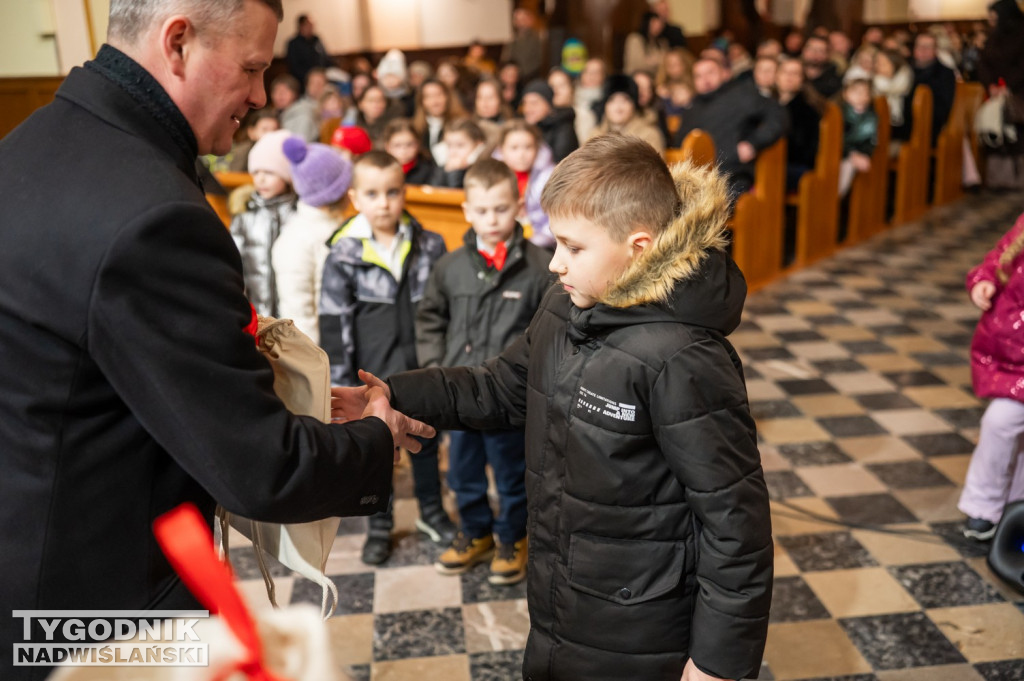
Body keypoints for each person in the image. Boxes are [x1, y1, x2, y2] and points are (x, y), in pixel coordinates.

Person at [0, 1, 432, 676]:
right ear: (178, 42)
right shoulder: (155, 214)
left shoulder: (27, 143)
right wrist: (375, 439)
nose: (260, 95)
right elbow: (261, 467)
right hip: (96, 607)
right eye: (253, 67)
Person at [372, 135, 772, 681]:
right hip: (564, 599)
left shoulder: (682, 357)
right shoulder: (567, 305)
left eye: (573, 247)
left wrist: (719, 664)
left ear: (640, 246)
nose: (556, 264)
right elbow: (501, 387)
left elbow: (735, 523)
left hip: (641, 629)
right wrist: (394, 395)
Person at [416, 159, 552, 584]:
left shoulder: (539, 267)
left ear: (518, 206)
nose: (492, 219)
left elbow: (547, 332)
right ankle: (474, 531)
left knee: (511, 472)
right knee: (461, 471)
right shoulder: (451, 266)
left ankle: (512, 536)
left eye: (501, 208)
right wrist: (436, 370)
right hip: (460, 391)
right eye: (482, 210)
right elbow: (431, 318)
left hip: (510, 395)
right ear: (467, 211)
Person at [320, 151, 456, 564]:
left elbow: (442, 310)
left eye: (393, 192)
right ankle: (379, 524)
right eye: (373, 193)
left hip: (420, 368)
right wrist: (345, 381)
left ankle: (432, 513)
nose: (384, 202)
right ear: (355, 197)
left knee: (425, 442)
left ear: (404, 192)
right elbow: (334, 322)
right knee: (379, 451)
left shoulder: (429, 243)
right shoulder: (343, 254)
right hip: (371, 374)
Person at [959, 211, 1024, 540]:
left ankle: (1016, 504)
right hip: (1014, 362)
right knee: (999, 423)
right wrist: (984, 281)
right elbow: (1000, 257)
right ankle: (983, 506)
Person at [271, 137, 351, 345]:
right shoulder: (297, 239)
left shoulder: (338, 226)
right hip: (323, 354)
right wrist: (319, 364)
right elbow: (298, 312)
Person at [673, 55, 787, 195]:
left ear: (724, 73)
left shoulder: (744, 94)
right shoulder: (691, 108)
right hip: (696, 180)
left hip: (733, 175)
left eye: (710, 72)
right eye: (698, 76)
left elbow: (778, 116)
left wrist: (753, 142)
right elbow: (679, 144)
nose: (705, 79)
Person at [229, 129, 297, 317]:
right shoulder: (245, 214)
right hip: (257, 311)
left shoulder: (298, 214)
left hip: (291, 314)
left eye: (269, 172)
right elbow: (235, 263)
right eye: (256, 172)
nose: (261, 179)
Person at [492, 119, 556, 249]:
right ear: (501, 150)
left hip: (543, 246)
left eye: (528, 147)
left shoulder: (550, 178)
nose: (521, 155)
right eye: (514, 148)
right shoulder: (492, 177)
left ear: (537, 148)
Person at [895, 32, 957, 146]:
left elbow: (944, 106)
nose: (923, 50)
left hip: (929, 126)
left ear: (935, 50)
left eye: (928, 47)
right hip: (902, 122)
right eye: (920, 46)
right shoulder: (904, 68)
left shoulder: (945, 73)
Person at [775, 56, 824, 193]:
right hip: (776, 161)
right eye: (785, 72)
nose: (789, 77)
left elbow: (802, 150)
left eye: (795, 73)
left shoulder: (807, 109)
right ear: (777, 76)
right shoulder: (768, 103)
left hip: (797, 166)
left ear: (802, 80)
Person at [589, 73, 666, 152]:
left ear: (633, 105)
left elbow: (654, 164)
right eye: (612, 101)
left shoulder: (649, 135)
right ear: (605, 106)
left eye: (624, 101)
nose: (618, 108)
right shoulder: (595, 136)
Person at [521, 78, 579, 163]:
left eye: (534, 103)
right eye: (525, 103)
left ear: (549, 105)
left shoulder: (564, 128)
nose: (527, 109)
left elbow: (561, 164)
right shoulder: (531, 126)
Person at [413, 78, 468, 164]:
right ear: (422, 101)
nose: (434, 101)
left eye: (438, 95)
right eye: (428, 96)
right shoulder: (416, 128)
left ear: (447, 97)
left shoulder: (461, 124)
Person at [839, 79, 878, 197]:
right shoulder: (839, 113)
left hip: (858, 154)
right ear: (845, 94)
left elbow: (871, 140)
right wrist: (852, 154)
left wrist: (863, 153)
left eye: (865, 93)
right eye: (856, 92)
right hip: (841, 153)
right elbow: (839, 139)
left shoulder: (871, 117)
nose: (861, 96)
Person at [432, 117, 488, 187]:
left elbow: (456, 192)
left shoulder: (485, 170)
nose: (453, 152)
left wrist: (456, 171)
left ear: (478, 146)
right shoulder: (442, 167)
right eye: (449, 145)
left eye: (460, 145)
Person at [383, 117, 441, 185]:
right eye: (397, 145)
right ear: (387, 147)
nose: (403, 151)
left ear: (418, 144)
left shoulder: (429, 169)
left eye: (409, 145)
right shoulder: (381, 169)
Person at [286, 13, 331, 89]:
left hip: (322, 76)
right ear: (301, 26)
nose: (312, 27)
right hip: (304, 81)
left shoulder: (317, 40)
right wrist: (311, 77)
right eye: (309, 25)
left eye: (312, 25)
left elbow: (326, 58)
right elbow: (294, 67)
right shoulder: (293, 44)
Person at [271, 73, 319, 142]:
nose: (280, 95)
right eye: (276, 91)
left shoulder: (304, 115)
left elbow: (302, 144)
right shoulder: (274, 114)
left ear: (295, 94)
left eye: (285, 91)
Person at [501, 7, 543, 82]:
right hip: (513, 78)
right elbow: (506, 57)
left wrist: (520, 73)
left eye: (523, 19)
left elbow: (539, 60)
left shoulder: (536, 38)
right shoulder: (513, 38)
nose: (520, 23)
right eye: (518, 20)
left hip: (530, 77)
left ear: (529, 20)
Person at [624, 11, 669, 76]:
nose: (658, 26)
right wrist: (659, 59)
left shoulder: (662, 42)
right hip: (636, 76)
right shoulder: (635, 39)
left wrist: (651, 60)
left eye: (660, 24)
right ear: (646, 23)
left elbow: (667, 62)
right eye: (654, 23)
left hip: (656, 77)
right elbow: (638, 64)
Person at [802, 34, 843, 99]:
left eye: (820, 50)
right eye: (811, 49)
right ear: (803, 50)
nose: (814, 53)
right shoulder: (793, 71)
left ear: (828, 54)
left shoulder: (834, 79)